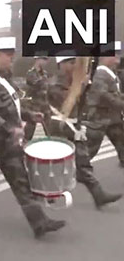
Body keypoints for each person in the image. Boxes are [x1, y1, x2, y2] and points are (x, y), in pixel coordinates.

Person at [0, 37, 66, 237]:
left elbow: (13, 107)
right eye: (6, 55)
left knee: (21, 182)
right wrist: (10, 129)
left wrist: (29, 115)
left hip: (9, 144)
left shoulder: (6, 80)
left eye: (11, 55)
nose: (10, 59)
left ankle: (39, 223)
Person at [47, 55, 121, 209]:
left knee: (83, 162)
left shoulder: (74, 81)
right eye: (71, 62)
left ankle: (98, 194)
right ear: (62, 65)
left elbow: (82, 105)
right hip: (59, 128)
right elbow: (66, 102)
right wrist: (81, 87)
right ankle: (46, 191)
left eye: (76, 62)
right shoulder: (55, 83)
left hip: (74, 126)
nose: (75, 66)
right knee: (57, 164)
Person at [84, 47, 124, 166]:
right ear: (104, 57)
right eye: (113, 54)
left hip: (113, 118)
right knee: (90, 150)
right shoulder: (100, 73)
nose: (117, 56)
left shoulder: (110, 73)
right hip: (99, 118)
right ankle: (74, 169)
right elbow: (103, 95)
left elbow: (114, 94)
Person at [24, 56, 52, 140]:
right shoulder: (30, 73)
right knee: (29, 130)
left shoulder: (45, 73)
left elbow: (47, 88)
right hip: (34, 105)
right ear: (37, 60)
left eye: (46, 60)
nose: (45, 62)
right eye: (43, 59)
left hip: (45, 105)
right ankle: (24, 144)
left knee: (50, 130)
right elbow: (36, 83)